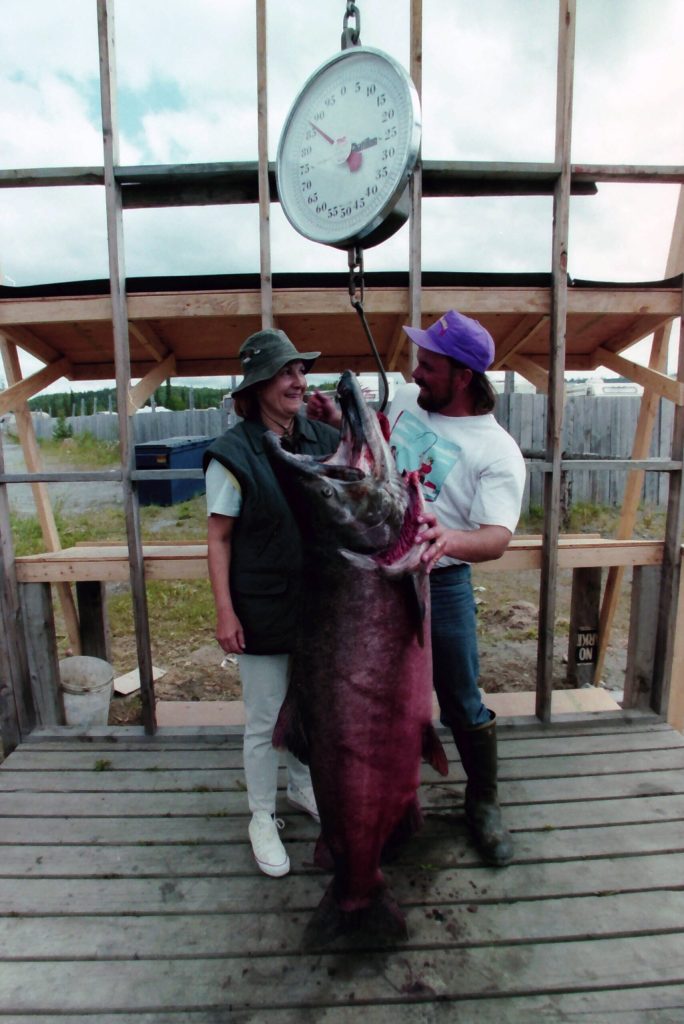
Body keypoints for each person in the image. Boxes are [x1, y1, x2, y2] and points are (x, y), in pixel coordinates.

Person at [308, 309, 525, 866]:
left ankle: (483, 801)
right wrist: (337, 418)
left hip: (441, 582)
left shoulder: (496, 449)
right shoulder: (408, 399)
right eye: (418, 362)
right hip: (370, 573)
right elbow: (376, 451)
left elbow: (497, 536)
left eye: (429, 366)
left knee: (460, 696)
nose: (416, 372)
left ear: (464, 377)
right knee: (363, 693)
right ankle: (379, 801)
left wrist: (448, 540)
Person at [204, 328, 339, 878]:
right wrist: (225, 611)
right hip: (260, 605)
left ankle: (302, 786)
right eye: (285, 372)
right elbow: (219, 537)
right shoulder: (231, 454)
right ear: (258, 384)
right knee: (264, 720)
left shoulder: (319, 437)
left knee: (311, 708)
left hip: (320, 606)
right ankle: (261, 815)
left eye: (300, 371)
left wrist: (340, 425)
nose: (297, 381)